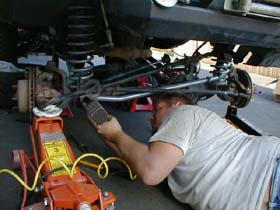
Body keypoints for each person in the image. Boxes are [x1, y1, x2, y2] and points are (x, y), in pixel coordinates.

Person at [92, 92, 280, 210]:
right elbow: (139, 162)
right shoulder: (179, 153)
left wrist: (116, 134)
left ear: (177, 104)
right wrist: (107, 134)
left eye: (157, 109)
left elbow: (150, 170)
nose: (150, 118)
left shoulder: (185, 113)